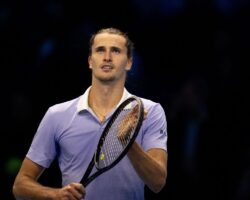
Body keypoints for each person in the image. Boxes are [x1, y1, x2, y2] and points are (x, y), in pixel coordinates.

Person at [12, 27, 168, 200]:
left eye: (116, 51)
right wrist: (55, 194)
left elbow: (157, 182)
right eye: (100, 50)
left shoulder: (150, 111)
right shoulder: (57, 114)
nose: (107, 57)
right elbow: (20, 185)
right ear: (90, 61)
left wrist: (127, 141)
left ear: (129, 62)